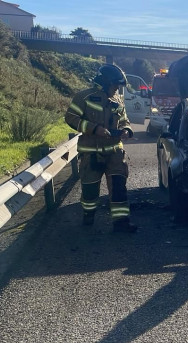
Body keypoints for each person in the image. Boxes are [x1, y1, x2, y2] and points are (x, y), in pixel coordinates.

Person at [65, 64, 137, 233]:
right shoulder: (84, 97)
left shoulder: (118, 99)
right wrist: (94, 129)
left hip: (115, 152)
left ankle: (121, 223)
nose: (117, 89)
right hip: (91, 153)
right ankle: (88, 215)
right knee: (90, 190)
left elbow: (124, 119)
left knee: (119, 187)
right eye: (115, 85)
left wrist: (127, 130)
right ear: (105, 82)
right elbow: (70, 117)